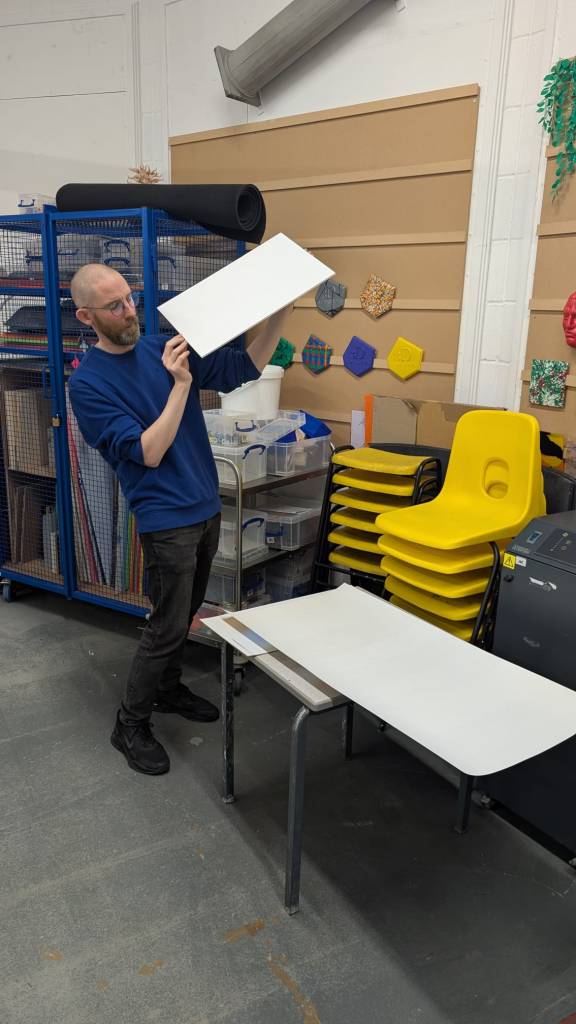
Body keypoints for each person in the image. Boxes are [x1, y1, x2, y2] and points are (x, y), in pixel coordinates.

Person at [69, 263, 291, 776]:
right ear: (86, 316)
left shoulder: (157, 350)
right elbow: (148, 451)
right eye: (114, 306)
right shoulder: (88, 387)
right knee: (167, 627)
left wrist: (280, 311)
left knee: (186, 613)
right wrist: (180, 387)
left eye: (130, 298)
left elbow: (245, 367)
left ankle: (167, 690)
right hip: (165, 518)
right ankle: (129, 723)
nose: (129, 311)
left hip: (204, 504)